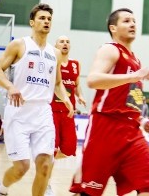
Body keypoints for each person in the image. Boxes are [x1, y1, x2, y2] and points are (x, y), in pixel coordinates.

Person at [69, 8, 149, 196]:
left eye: (134, 20)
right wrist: (132, 76)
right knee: (88, 192)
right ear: (113, 28)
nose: (132, 24)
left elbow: (131, 100)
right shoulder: (110, 49)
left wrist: (142, 120)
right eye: (126, 21)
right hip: (105, 128)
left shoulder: (136, 61)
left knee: (147, 184)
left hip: (132, 132)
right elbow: (92, 80)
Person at [0, 3, 74, 196]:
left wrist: (66, 99)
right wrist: (11, 87)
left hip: (43, 113)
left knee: (45, 165)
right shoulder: (19, 45)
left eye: (49, 19)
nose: (46, 22)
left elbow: (57, 83)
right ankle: (1, 189)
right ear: (32, 22)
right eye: (42, 18)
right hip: (19, 111)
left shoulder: (55, 53)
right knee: (21, 167)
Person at [46, 35, 86, 195]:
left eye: (68, 41)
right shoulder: (51, 63)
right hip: (52, 112)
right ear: (55, 45)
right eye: (61, 41)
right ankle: (46, 183)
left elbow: (77, 85)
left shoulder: (76, 65)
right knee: (52, 148)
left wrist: (80, 95)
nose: (65, 44)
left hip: (69, 113)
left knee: (69, 149)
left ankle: (47, 157)